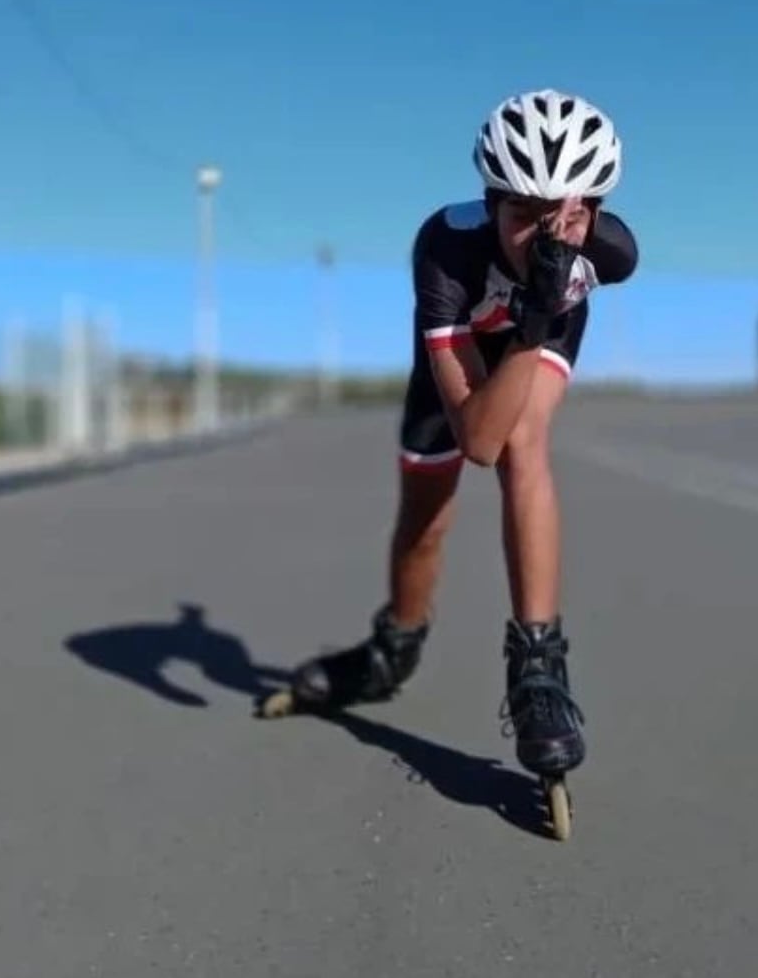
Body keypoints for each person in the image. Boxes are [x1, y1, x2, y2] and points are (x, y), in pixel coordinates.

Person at [263, 88, 639, 782]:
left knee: (528, 441)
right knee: (426, 517)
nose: (546, 235)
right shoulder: (445, 247)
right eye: (523, 214)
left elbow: (508, 441)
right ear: (492, 200)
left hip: (546, 328)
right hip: (460, 356)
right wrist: (523, 322)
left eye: (566, 215)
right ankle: (394, 648)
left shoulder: (610, 252)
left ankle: (539, 670)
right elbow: (476, 441)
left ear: (592, 210)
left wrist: (540, 316)